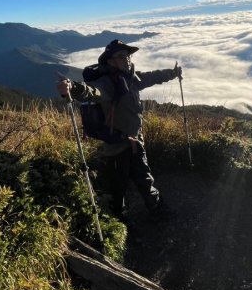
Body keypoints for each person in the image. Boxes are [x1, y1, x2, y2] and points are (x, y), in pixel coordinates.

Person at [57, 39, 182, 220]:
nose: (127, 59)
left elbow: (153, 76)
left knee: (145, 179)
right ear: (110, 61)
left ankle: (158, 211)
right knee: (117, 188)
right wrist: (72, 88)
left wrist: (172, 73)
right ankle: (119, 224)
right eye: (121, 56)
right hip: (116, 145)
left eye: (128, 55)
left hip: (135, 140)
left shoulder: (131, 78)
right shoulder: (107, 83)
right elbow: (92, 91)